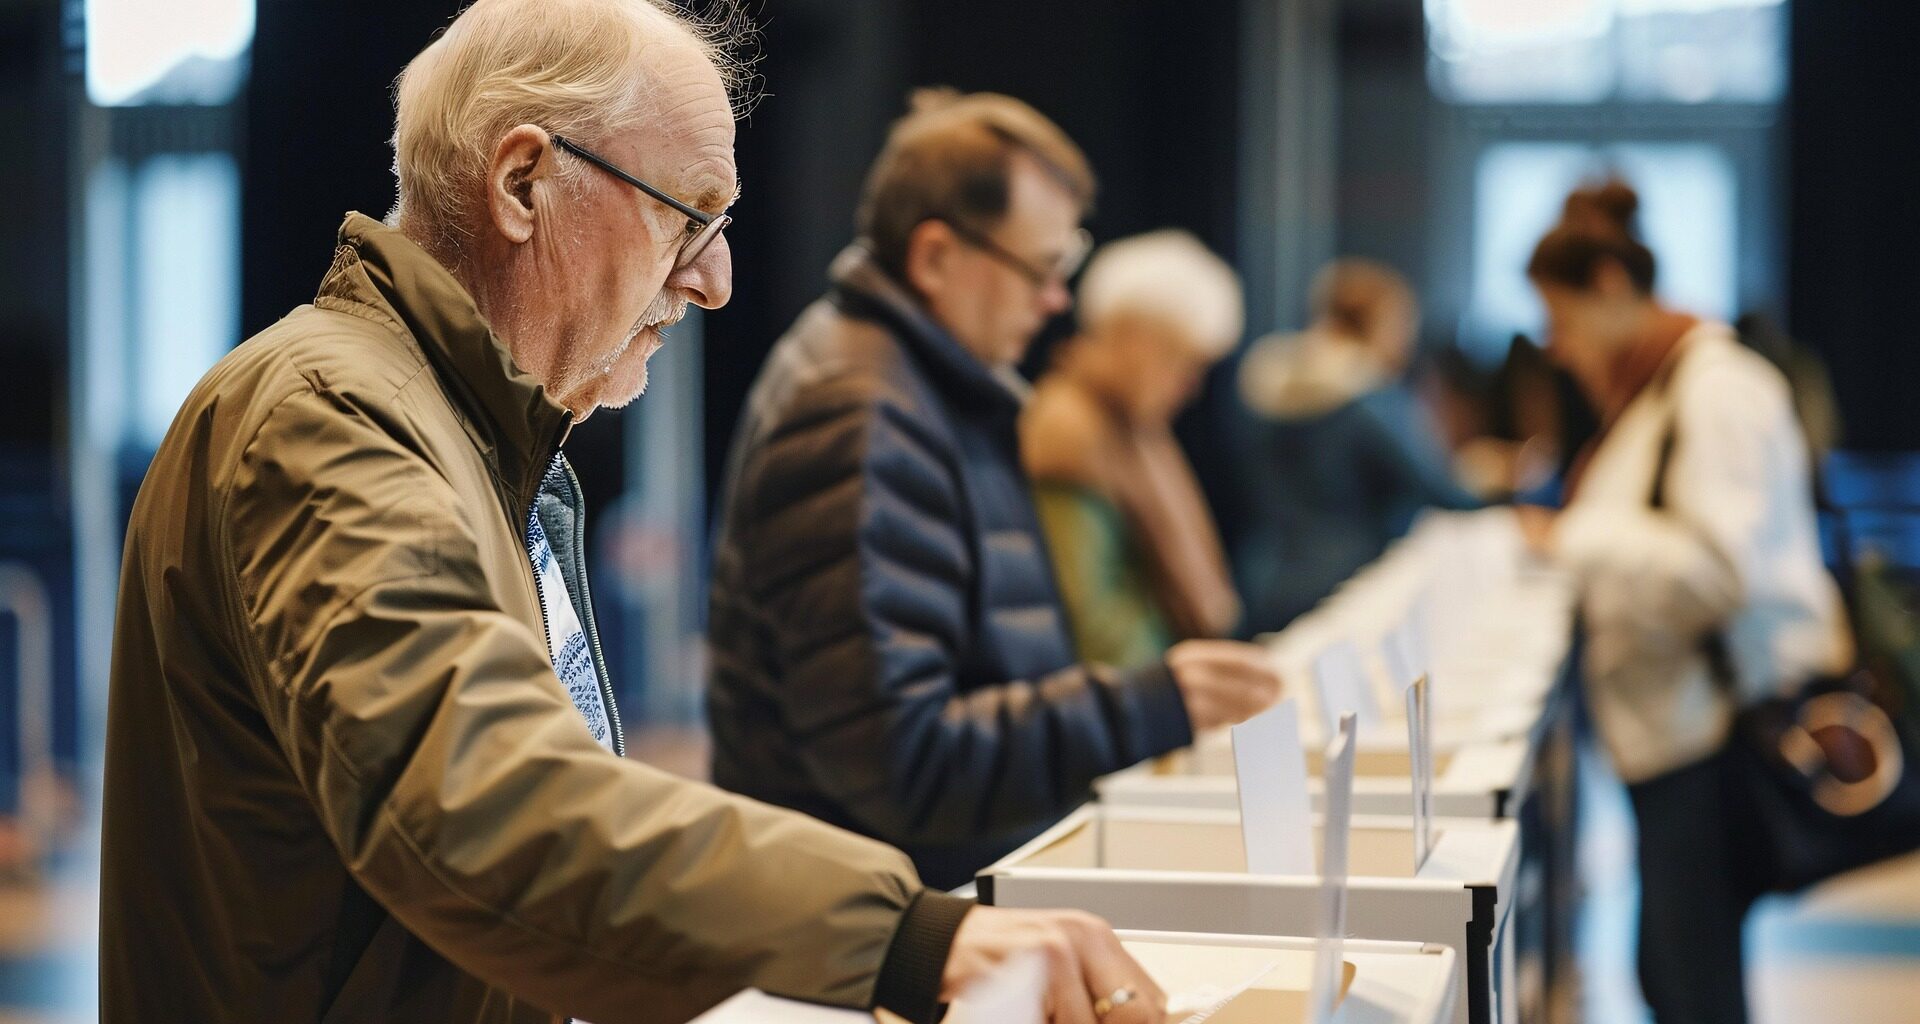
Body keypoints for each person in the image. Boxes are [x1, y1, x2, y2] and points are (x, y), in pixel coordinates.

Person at [98, 5, 1172, 1022]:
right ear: (524, 182)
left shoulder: (481, 439)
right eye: (691, 214)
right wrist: (905, 937)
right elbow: (483, 801)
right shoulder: (326, 416)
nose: (716, 280)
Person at [706, 90, 1282, 890]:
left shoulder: (924, 387)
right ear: (937, 257)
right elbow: (902, 762)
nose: (1057, 301)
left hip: (939, 893)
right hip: (882, 924)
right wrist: (1146, 706)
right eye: (1040, 269)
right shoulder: (860, 413)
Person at [1515, 181, 1851, 1024]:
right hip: (1671, 736)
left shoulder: (1716, 389)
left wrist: (1572, 538)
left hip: (1713, 733)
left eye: (1560, 321)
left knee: (1691, 984)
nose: (1557, 350)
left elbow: (1719, 572)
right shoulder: (1658, 390)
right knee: (1672, 973)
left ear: (1609, 287)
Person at [1021, 230, 1243, 667]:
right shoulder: (1068, 429)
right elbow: (1089, 623)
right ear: (1136, 339)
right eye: (1184, 360)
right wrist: (1180, 685)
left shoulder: (1131, 426)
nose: (1191, 385)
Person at [1235, 258, 1479, 633]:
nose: (1406, 341)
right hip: (1348, 585)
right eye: (1401, 324)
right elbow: (1437, 490)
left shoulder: (1269, 389)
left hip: (1267, 580)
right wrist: (1505, 486)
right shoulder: (1370, 398)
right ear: (1379, 323)